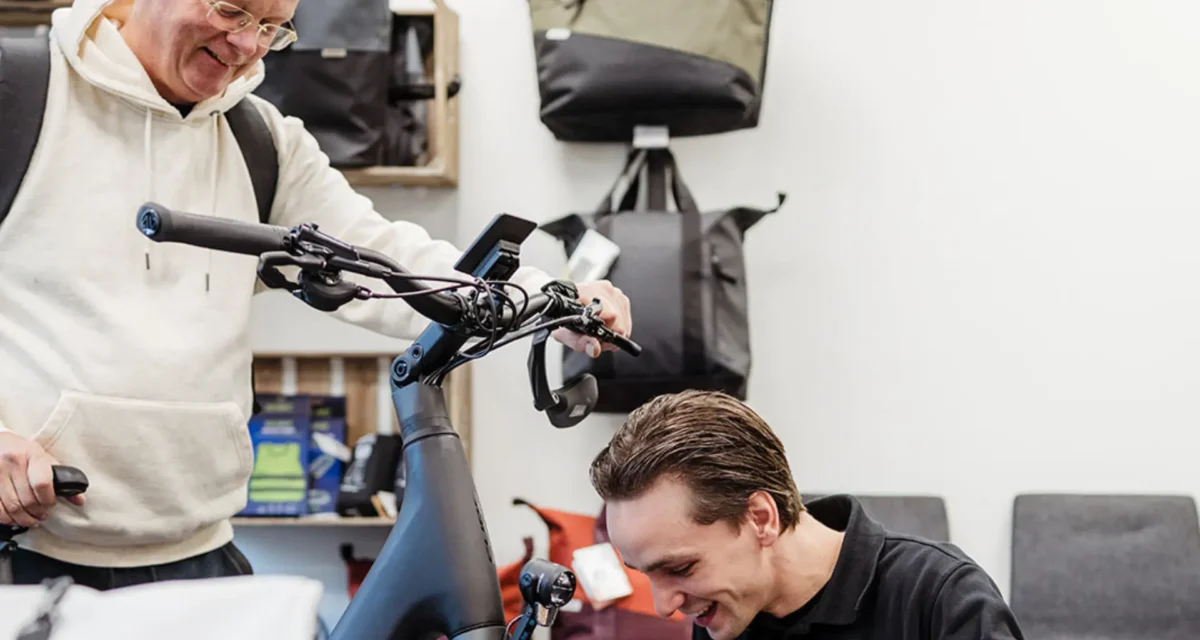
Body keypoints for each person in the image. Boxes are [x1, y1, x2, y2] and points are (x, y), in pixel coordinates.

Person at [0, 0, 631, 589]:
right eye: (231, 10)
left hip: (202, 553)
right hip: (26, 552)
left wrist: (547, 298)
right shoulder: (21, 92)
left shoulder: (260, 139)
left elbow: (387, 261)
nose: (249, 45)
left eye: (274, 27)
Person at [588, 390, 1024, 640]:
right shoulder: (724, 614)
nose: (666, 606)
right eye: (645, 574)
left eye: (680, 568)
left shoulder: (939, 597)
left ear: (761, 518)